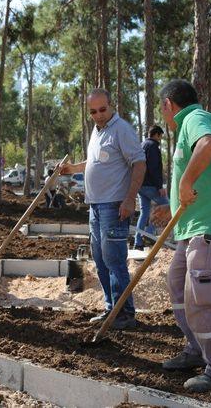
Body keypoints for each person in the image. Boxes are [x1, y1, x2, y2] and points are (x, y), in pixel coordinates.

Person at [151, 79, 211, 392]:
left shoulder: (194, 119)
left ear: (168, 104)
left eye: (161, 107)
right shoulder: (189, 124)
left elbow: (208, 145)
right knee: (177, 283)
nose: (162, 114)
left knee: (201, 301)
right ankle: (195, 349)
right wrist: (174, 205)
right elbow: (202, 177)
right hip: (195, 225)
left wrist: (184, 182)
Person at [61, 88, 145, 330]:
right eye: (93, 111)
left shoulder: (122, 130)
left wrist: (130, 199)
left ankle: (124, 313)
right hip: (95, 206)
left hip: (115, 205)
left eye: (102, 109)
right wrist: (71, 168)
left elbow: (139, 163)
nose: (98, 115)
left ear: (112, 105)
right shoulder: (97, 132)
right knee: (99, 259)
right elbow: (95, 162)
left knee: (114, 259)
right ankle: (111, 309)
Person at [133, 125, 169, 249]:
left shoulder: (142, 145)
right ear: (157, 134)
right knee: (167, 206)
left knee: (144, 213)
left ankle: (138, 242)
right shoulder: (153, 146)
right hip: (150, 185)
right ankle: (148, 235)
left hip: (140, 185)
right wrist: (159, 186)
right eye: (160, 137)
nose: (160, 140)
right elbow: (154, 168)